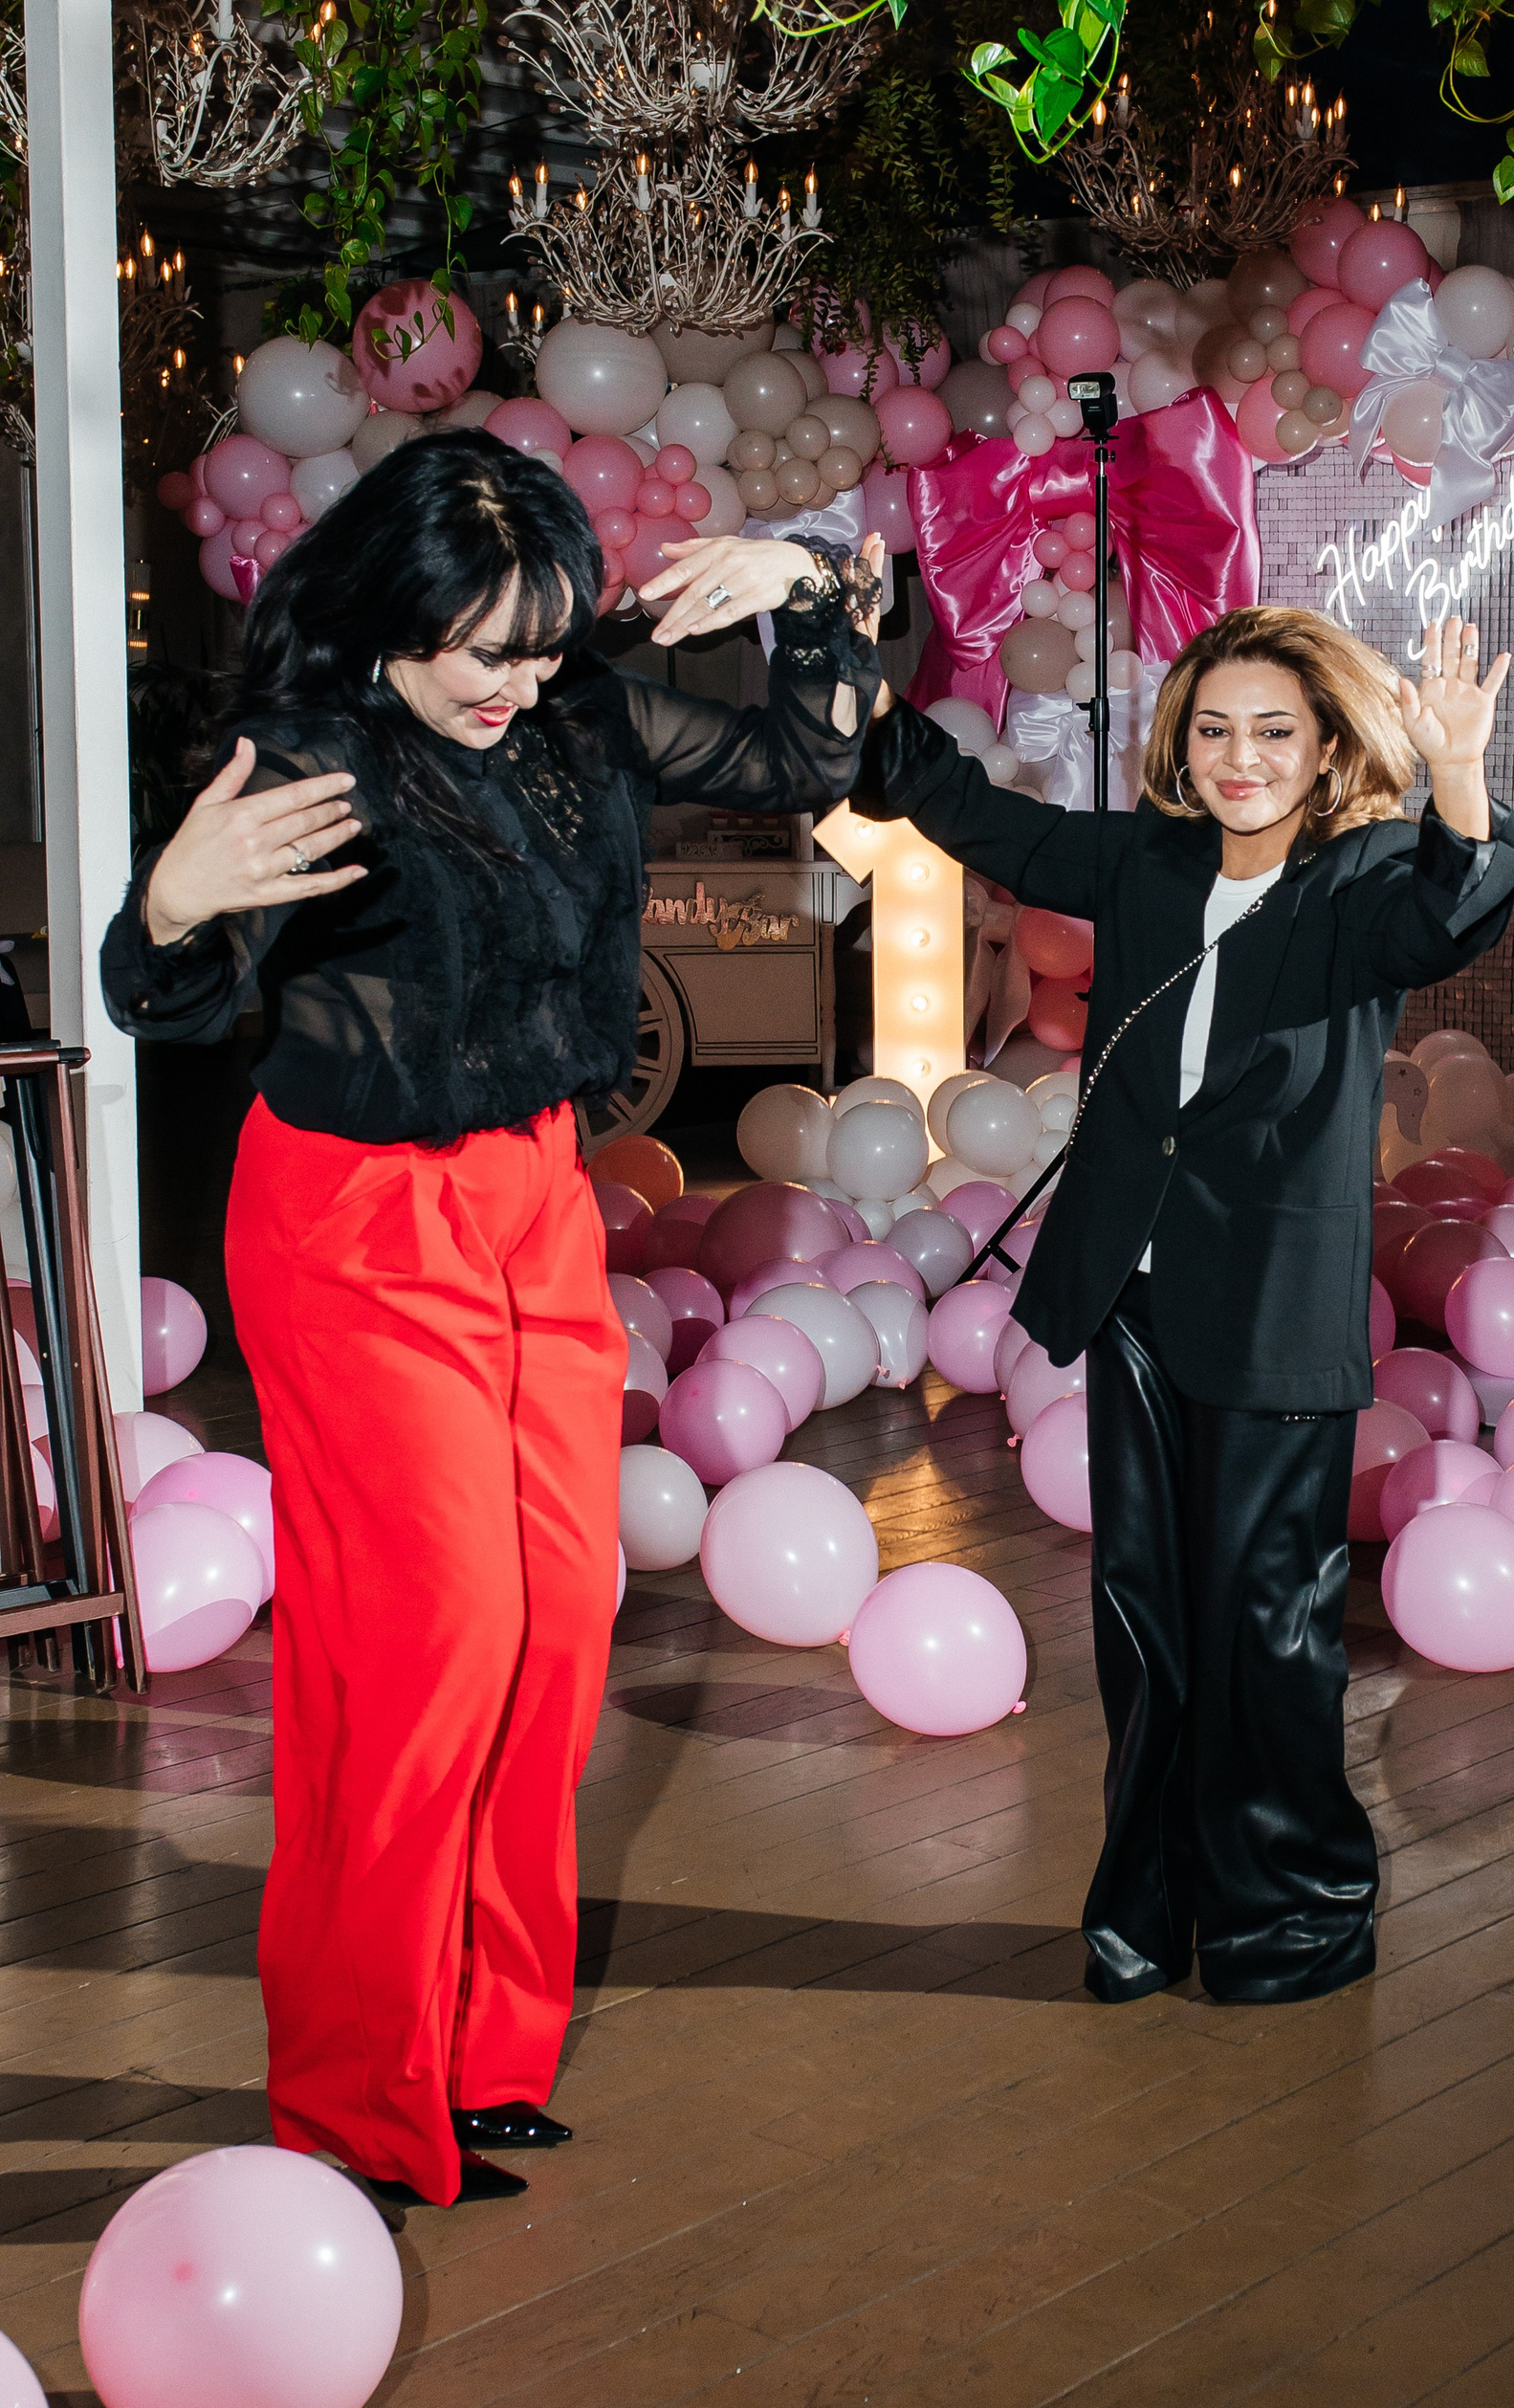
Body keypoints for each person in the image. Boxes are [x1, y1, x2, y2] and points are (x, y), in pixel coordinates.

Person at [100, 432, 882, 2206]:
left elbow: (799, 758)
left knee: (557, 1625)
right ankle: (352, 2090)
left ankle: (480, 2047)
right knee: (431, 1640)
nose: (513, 683)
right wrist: (171, 908)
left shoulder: (572, 714)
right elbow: (174, 998)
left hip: (534, 1192)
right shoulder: (311, 757)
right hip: (356, 1220)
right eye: (479, 649)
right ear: (393, 610)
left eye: (537, 645)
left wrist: (814, 587)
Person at [845, 601, 1514, 2006]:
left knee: (1269, 1625)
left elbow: (1444, 916)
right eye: (1215, 728)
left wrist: (1459, 776)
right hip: (1137, 1300)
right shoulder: (1148, 858)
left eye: (1275, 730)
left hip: (1273, 1308)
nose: (1241, 756)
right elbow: (963, 807)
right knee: (1143, 1613)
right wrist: (852, 659)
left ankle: (1297, 1918)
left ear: (1326, 746)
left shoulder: (1363, 876)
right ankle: (1146, 1914)